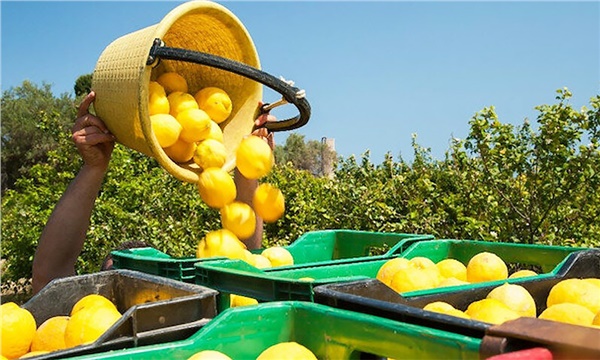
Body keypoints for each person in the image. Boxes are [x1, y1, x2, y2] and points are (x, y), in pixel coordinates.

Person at [31, 91, 276, 294]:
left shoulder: (188, 312)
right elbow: (49, 280)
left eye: (148, 276)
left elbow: (246, 260)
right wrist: (93, 167)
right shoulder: (91, 315)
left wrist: (247, 167)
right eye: (118, 277)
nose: (131, 286)